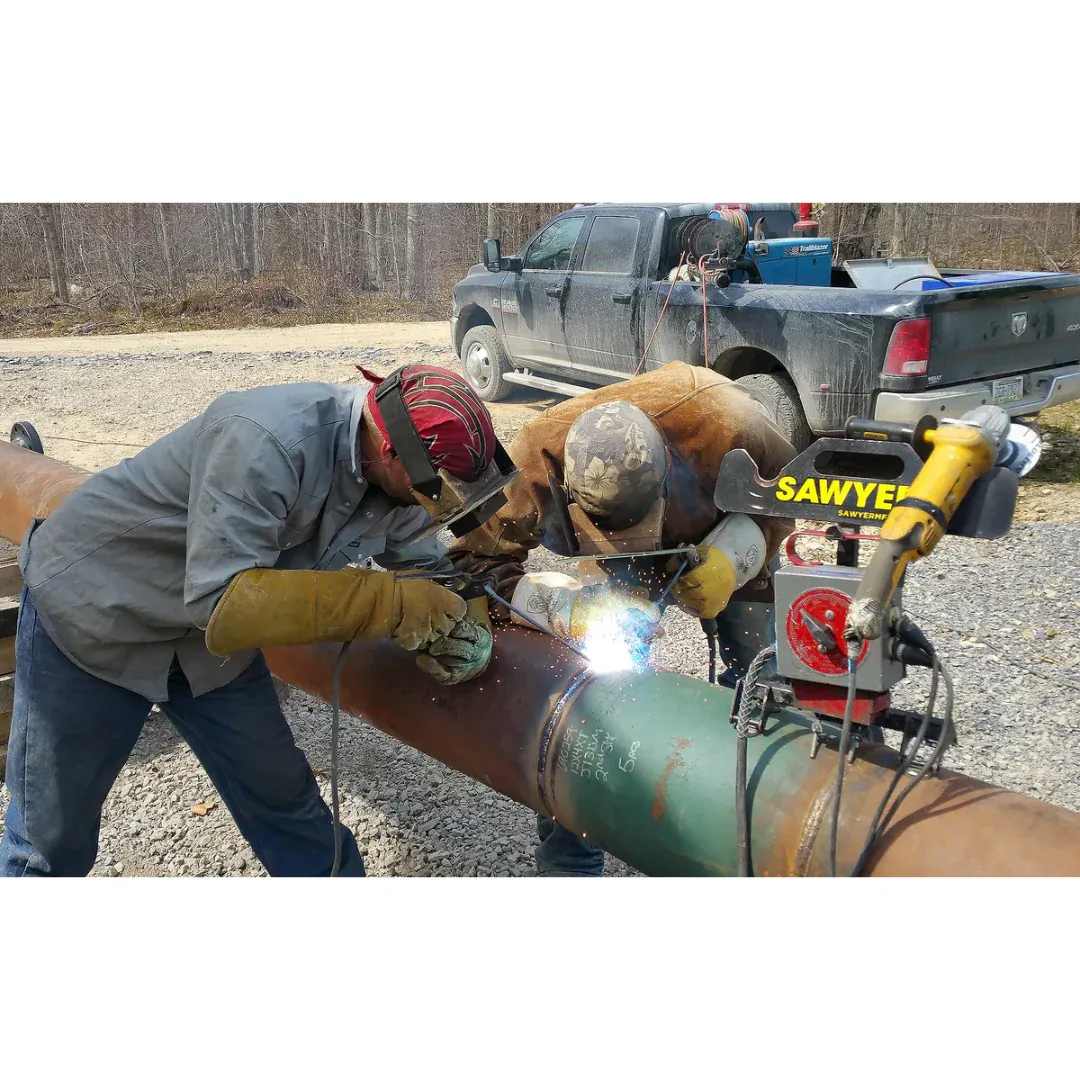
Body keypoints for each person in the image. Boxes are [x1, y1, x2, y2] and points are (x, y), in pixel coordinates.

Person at [0, 364, 514, 878]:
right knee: (51, 842)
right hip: (94, 615)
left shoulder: (402, 478)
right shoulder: (264, 438)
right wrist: (391, 606)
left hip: (203, 649)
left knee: (287, 806)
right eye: (434, 489)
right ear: (390, 452)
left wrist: (468, 600)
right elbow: (220, 600)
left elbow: (422, 562)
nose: (434, 502)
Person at [448, 361, 797, 877]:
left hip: (721, 530)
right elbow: (472, 565)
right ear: (572, 495)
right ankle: (571, 860)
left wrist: (732, 559)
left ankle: (754, 818)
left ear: (668, 477)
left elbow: (785, 501)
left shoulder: (731, 424)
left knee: (758, 674)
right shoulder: (533, 463)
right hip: (613, 564)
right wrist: (565, 609)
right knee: (591, 693)